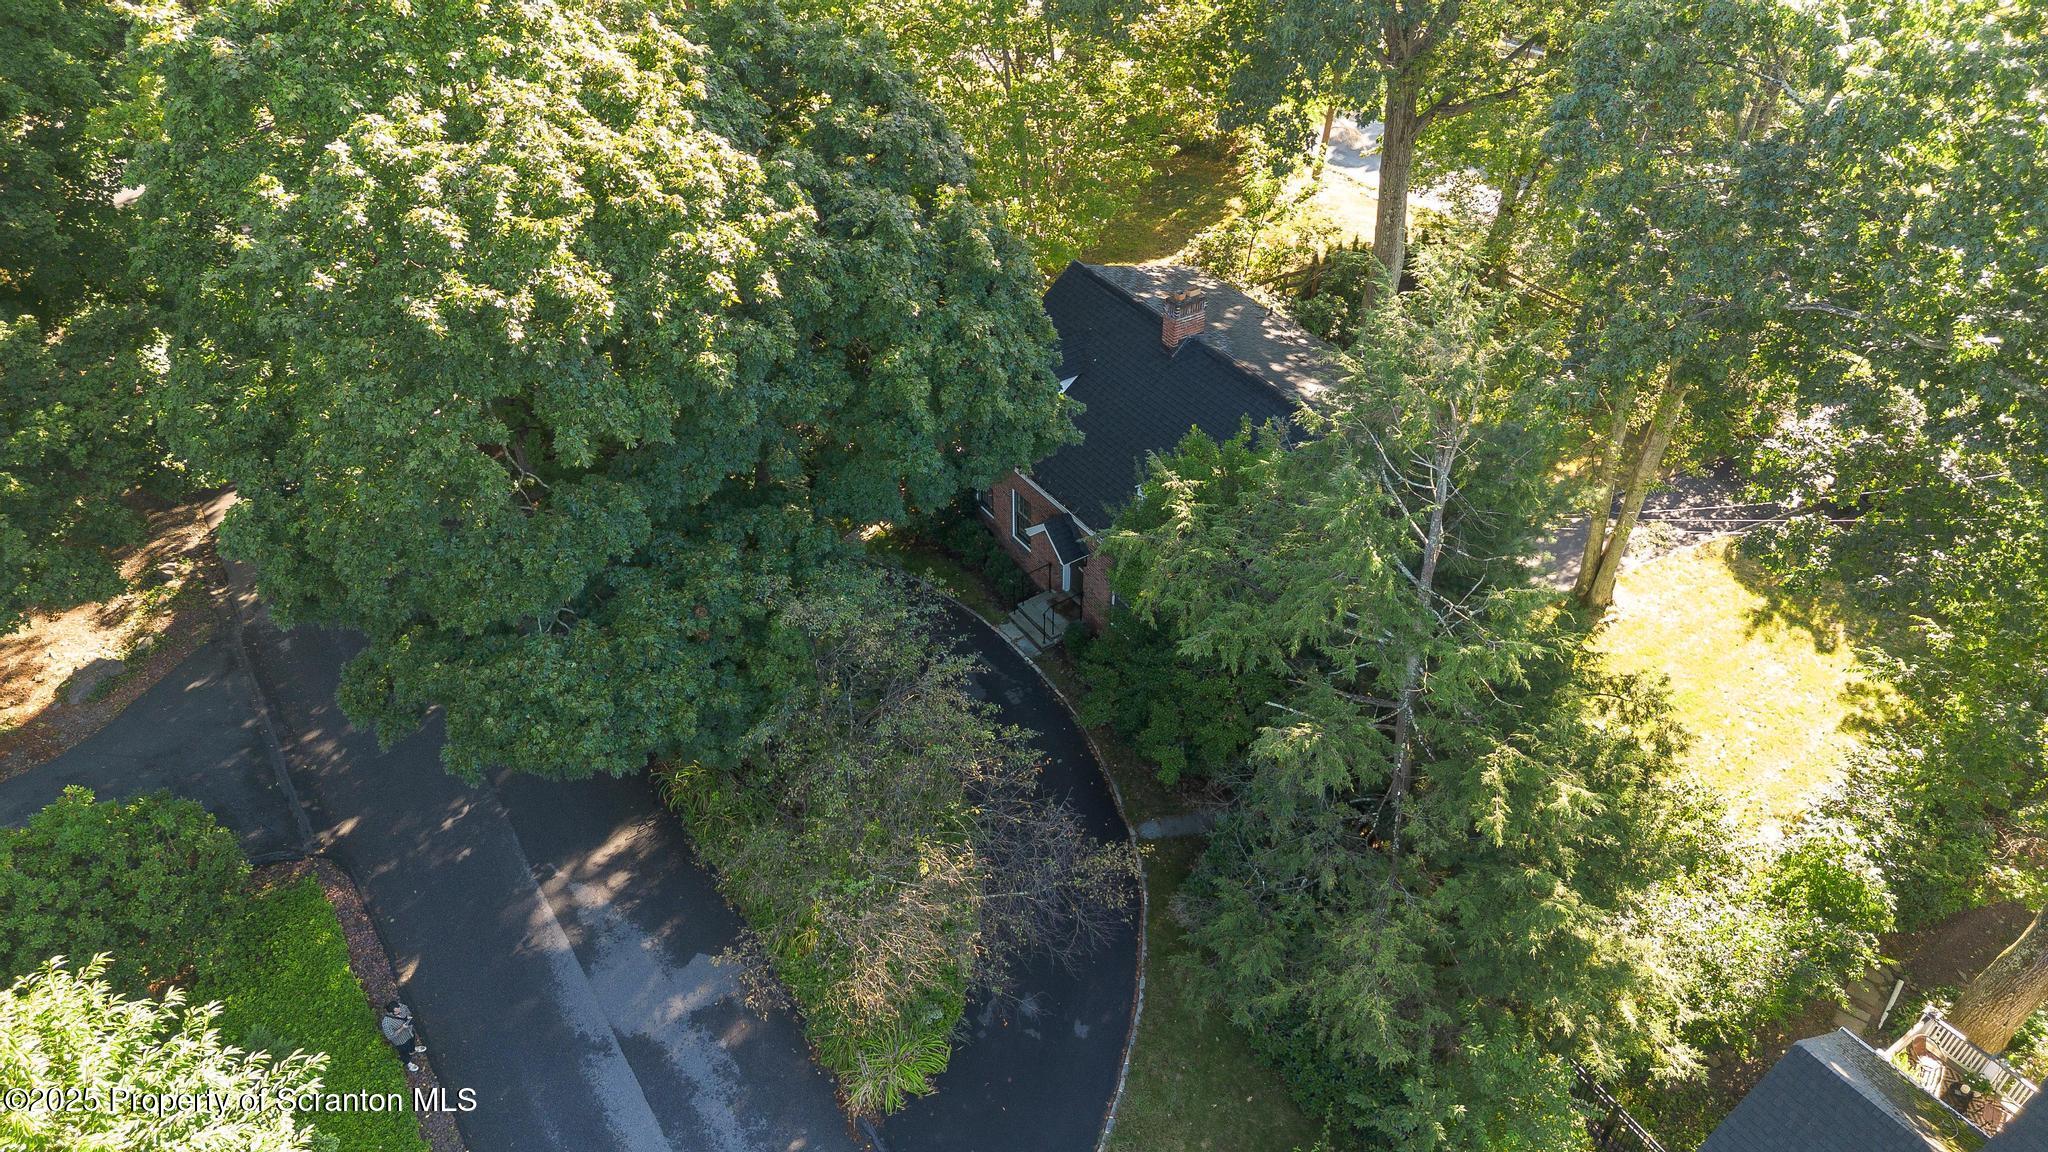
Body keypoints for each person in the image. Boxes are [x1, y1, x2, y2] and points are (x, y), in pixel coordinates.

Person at [381, 1000, 426, 1072]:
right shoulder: (386, 1022)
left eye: (399, 1009)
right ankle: (408, 1063)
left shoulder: (400, 1006)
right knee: (404, 1052)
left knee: (412, 1042)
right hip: (401, 1041)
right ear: (391, 1012)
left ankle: (413, 1049)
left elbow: (406, 1009)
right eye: (396, 1012)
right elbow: (390, 1036)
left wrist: (408, 1016)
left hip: (409, 1033)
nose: (399, 1012)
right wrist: (402, 1028)